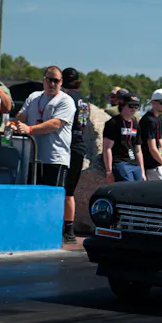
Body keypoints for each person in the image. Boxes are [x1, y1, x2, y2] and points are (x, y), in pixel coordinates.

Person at [14, 66, 76, 187]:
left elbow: (55, 124)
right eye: (49, 80)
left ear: (61, 82)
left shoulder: (66, 100)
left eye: (56, 81)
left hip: (54, 159)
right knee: (31, 195)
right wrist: (16, 124)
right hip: (32, 158)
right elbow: (22, 116)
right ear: (43, 80)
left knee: (52, 196)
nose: (52, 84)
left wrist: (30, 129)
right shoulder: (34, 97)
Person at [61, 67, 90, 244]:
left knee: (60, 188)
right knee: (70, 191)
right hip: (80, 145)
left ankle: (58, 227)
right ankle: (69, 231)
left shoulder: (67, 98)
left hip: (67, 145)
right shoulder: (84, 100)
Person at [103, 92, 146, 182]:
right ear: (122, 105)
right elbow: (107, 148)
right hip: (120, 162)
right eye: (131, 106)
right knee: (128, 187)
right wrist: (109, 171)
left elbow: (138, 150)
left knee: (141, 187)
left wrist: (142, 171)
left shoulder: (135, 124)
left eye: (136, 106)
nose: (134, 109)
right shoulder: (113, 123)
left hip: (134, 163)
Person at [139, 89, 162, 180]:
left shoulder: (156, 119)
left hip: (158, 164)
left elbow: (160, 143)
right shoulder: (149, 120)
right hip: (151, 166)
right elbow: (152, 147)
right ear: (153, 102)